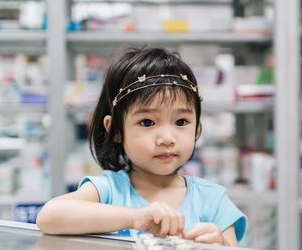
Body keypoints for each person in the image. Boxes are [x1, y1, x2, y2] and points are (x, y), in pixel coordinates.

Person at [37, 46, 247, 246]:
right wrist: (135, 217)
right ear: (116, 130)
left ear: (197, 130)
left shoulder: (212, 199)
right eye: (147, 122)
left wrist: (219, 244)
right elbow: (49, 216)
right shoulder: (109, 190)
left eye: (181, 122)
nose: (166, 138)